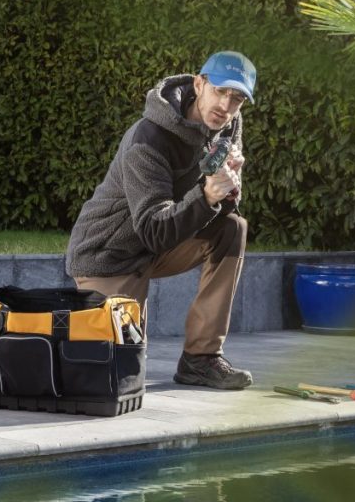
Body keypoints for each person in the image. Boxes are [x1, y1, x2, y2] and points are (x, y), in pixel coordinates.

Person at [66, 51, 256, 390]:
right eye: (220, 91)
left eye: (237, 98)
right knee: (118, 377)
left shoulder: (226, 128)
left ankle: (201, 359)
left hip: (160, 245)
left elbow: (219, 211)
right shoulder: (148, 138)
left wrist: (228, 192)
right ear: (199, 84)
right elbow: (154, 230)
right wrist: (208, 195)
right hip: (110, 255)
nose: (226, 106)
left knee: (232, 229)